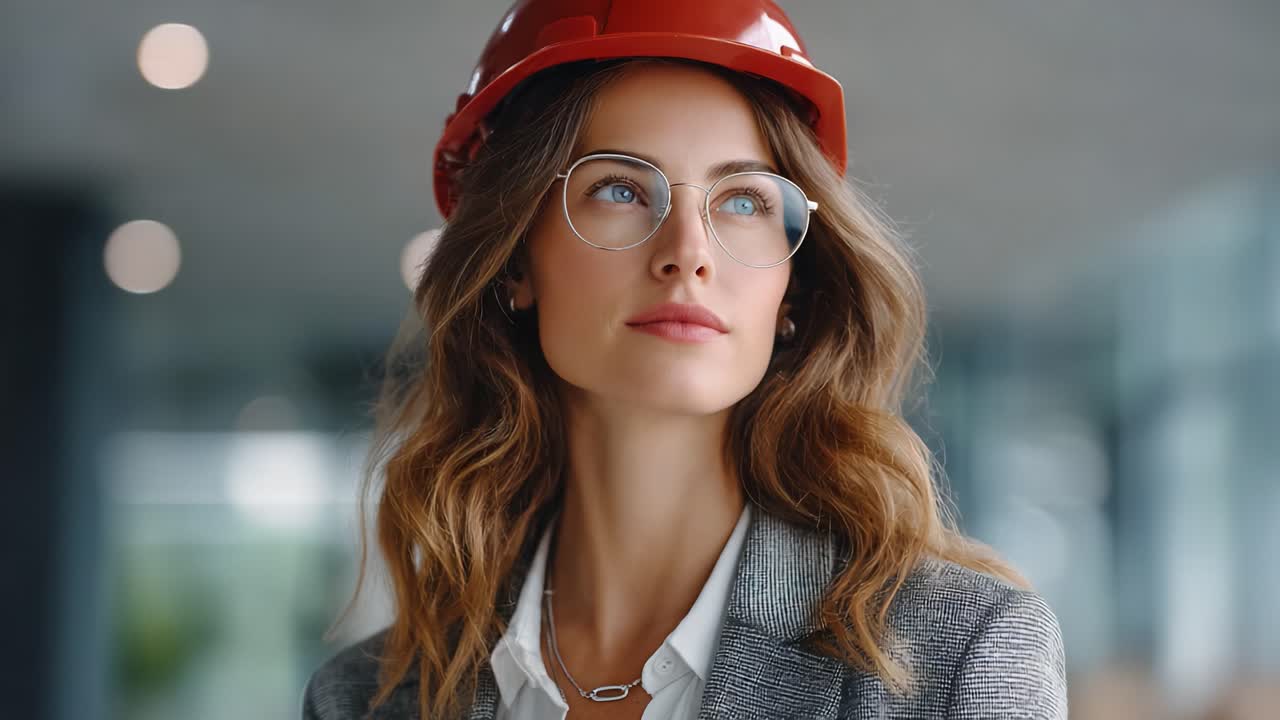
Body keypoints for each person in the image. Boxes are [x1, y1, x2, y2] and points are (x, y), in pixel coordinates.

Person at [302, 1, 1068, 718]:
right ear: (514, 265)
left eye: (744, 201)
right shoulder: (365, 698)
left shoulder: (961, 656)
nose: (688, 254)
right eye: (619, 190)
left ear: (792, 286)